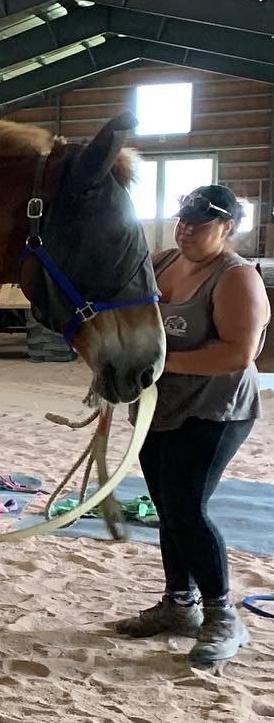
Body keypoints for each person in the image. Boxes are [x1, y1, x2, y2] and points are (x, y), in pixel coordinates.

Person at [115, 183, 269, 667]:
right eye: (183, 220)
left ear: (226, 228)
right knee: (167, 505)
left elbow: (238, 354)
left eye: (198, 224)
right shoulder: (163, 262)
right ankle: (179, 604)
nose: (185, 230)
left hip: (214, 410)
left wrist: (156, 364)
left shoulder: (236, 278)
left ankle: (223, 614)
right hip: (161, 408)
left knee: (186, 507)